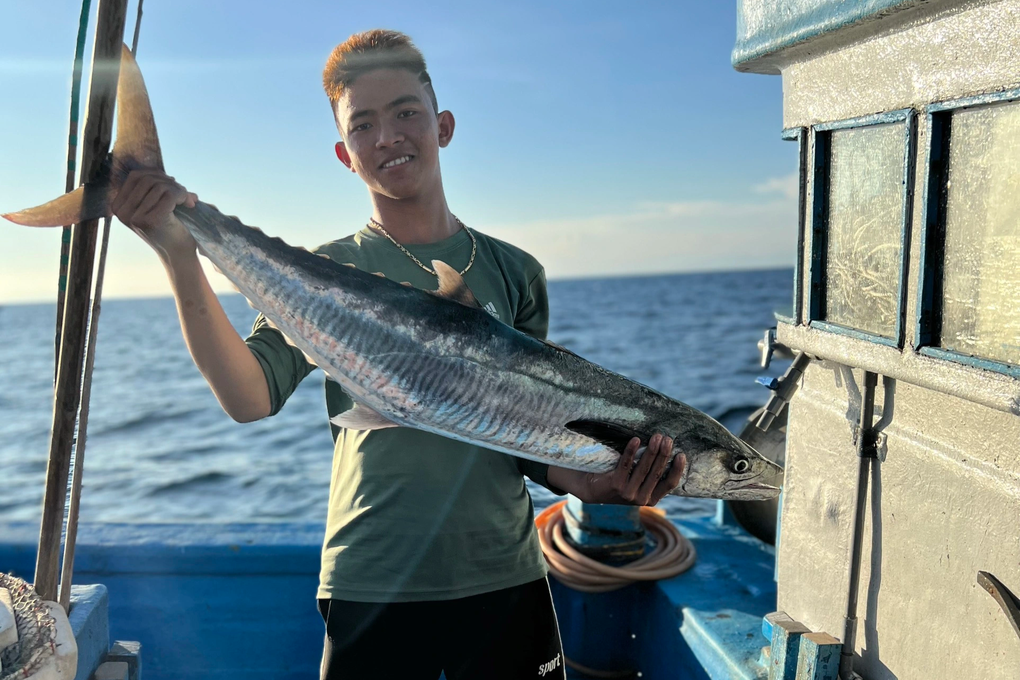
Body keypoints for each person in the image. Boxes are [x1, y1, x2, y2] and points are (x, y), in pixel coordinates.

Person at [111, 29, 685, 680]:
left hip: (503, 574)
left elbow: (531, 440)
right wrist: (178, 252)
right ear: (344, 153)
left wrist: (602, 481)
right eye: (364, 124)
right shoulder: (321, 272)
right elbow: (250, 398)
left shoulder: (514, 271)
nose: (388, 136)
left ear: (443, 125)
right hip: (372, 575)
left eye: (406, 112)